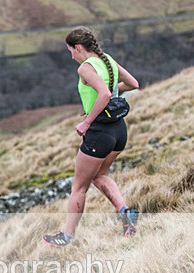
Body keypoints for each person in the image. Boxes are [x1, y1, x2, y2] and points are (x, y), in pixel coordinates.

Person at [42, 27, 140, 248]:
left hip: (99, 132)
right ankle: (126, 213)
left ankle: (66, 237)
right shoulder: (107, 60)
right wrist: (101, 102)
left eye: (71, 51)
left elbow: (104, 94)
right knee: (99, 175)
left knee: (79, 187)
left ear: (78, 47)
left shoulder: (85, 68)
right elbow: (133, 84)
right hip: (118, 131)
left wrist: (87, 121)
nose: (71, 57)